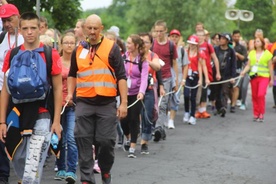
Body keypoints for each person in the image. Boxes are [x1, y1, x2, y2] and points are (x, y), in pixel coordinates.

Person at [0, 12, 62, 183]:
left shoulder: (50, 54)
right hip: (17, 114)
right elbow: (5, 90)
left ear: (40, 29)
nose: (29, 32)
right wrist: (2, 122)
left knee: (33, 163)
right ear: (20, 30)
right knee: (19, 158)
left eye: (33, 28)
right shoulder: (11, 55)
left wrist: (56, 121)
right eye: (25, 28)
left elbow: (57, 89)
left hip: (42, 114)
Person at [66, 14, 127, 184]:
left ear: (101, 29)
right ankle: (87, 179)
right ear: (85, 28)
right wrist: (70, 94)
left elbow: (122, 76)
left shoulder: (112, 48)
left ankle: (105, 170)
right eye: (89, 28)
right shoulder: (79, 50)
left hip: (106, 103)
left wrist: (123, 103)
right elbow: (72, 74)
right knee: (82, 139)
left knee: (106, 141)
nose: (92, 32)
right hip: (84, 101)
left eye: (95, 28)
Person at [0, 3, 23, 184]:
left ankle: (25, 173)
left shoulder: (26, 37)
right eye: (4, 21)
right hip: (2, 91)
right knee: (1, 132)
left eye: (10, 19)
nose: (7, 24)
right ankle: (3, 174)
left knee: (19, 133)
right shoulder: (1, 39)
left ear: (18, 17)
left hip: (24, 95)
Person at [54, 32, 78, 183]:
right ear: (61, 44)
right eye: (66, 42)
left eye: (72, 42)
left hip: (73, 105)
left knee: (71, 137)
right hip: (58, 105)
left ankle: (71, 170)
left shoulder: (79, 63)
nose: (69, 45)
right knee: (59, 137)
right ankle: (60, 166)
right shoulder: (57, 61)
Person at [121, 34, 149, 158]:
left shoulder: (143, 61)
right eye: (127, 43)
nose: (127, 45)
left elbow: (144, 78)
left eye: (129, 43)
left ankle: (132, 146)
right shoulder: (123, 58)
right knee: (123, 120)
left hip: (136, 94)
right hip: (124, 93)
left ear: (136, 45)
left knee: (133, 118)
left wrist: (142, 92)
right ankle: (127, 136)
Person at [151, 20, 178, 135]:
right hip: (154, 77)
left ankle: (159, 128)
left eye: (161, 31)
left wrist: (175, 80)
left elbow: (174, 63)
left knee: (163, 104)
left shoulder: (171, 45)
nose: (159, 34)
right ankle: (153, 126)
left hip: (166, 77)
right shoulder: (152, 44)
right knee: (152, 103)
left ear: (165, 31)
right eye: (157, 31)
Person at [139, 32, 162, 154]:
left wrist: (146, 60)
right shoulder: (132, 55)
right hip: (134, 89)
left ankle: (144, 142)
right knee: (131, 117)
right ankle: (129, 139)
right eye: (141, 41)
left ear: (151, 44)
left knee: (147, 115)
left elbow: (157, 68)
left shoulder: (153, 55)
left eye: (146, 42)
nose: (143, 44)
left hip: (149, 88)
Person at [240, 37, 273, 122]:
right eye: (255, 42)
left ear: (262, 43)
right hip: (253, 77)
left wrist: (271, 79)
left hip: (264, 76)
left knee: (260, 95)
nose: (256, 43)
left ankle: (261, 113)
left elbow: (270, 68)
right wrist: (243, 72)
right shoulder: (251, 53)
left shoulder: (268, 54)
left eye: (258, 41)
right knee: (254, 95)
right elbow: (248, 65)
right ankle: (256, 113)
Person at [183, 35, 207, 125]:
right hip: (187, 76)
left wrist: (202, 79)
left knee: (193, 97)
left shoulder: (200, 53)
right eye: (191, 43)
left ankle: (192, 115)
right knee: (186, 95)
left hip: (195, 76)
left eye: (194, 44)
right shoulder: (185, 52)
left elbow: (202, 66)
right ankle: (186, 112)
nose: (192, 45)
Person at [168, 29, 189, 129]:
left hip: (179, 77)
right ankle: (166, 116)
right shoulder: (166, 48)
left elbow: (185, 66)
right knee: (166, 99)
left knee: (175, 99)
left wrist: (184, 79)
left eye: (176, 36)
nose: (174, 38)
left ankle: (171, 120)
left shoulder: (181, 50)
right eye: (172, 36)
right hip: (167, 76)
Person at [195, 30, 217, 119]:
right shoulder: (194, 45)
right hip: (194, 70)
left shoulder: (208, 46)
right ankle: (198, 109)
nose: (200, 37)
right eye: (198, 35)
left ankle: (203, 110)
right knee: (196, 91)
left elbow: (215, 58)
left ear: (204, 37)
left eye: (201, 35)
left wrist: (217, 71)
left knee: (204, 90)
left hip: (205, 70)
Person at [214, 33, 236, 117]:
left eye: (223, 39)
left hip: (227, 75)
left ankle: (224, 107)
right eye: (220, 38)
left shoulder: (231, 51)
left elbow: (233, 64)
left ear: (227, 41)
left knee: (224, 91)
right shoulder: (216, 49)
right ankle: (218, 107)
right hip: (216, 73)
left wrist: (233, 76)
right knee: (216, 91)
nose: (221, 40)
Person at [231, 30, 247, 112]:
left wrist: (237, 54)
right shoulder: (229, 45)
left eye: (238, 36)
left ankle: (233, 105)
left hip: (238, 69)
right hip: (229, 70)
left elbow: (244, 58)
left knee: (236, 87)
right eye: (235, 36)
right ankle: (231, 101)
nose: (236, 38)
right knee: (229, 88)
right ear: (232, 36)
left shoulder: (242, 47)